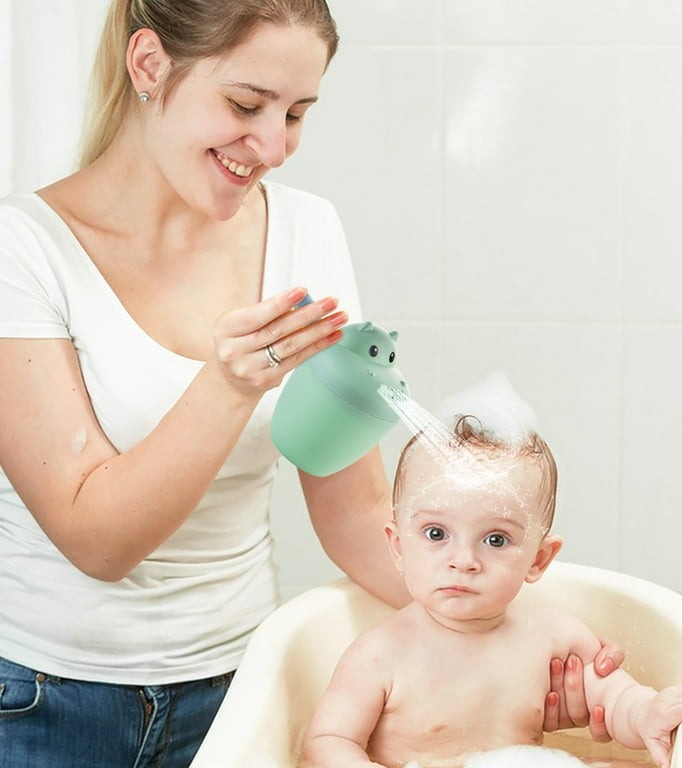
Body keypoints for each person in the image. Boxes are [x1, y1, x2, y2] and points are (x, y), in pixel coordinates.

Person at [0, 2, 622, 766]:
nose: (273, 145)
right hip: (46, 700)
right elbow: (95, 540)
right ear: (150, 66)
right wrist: (226, 388)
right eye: (245, 103)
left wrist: (523, 641)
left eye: (296, 113)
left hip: (243, 683)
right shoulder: (23, 251)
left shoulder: (305, 232)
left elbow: (358, 512)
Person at [301, 409, 682, 768]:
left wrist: (649, 712)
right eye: (436, 534)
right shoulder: (378, 654)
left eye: (496, 540)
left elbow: (618, 701)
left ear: (539, 559)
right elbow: (327, 741)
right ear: (397, 546)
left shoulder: (552, 637)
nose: (463, 560)